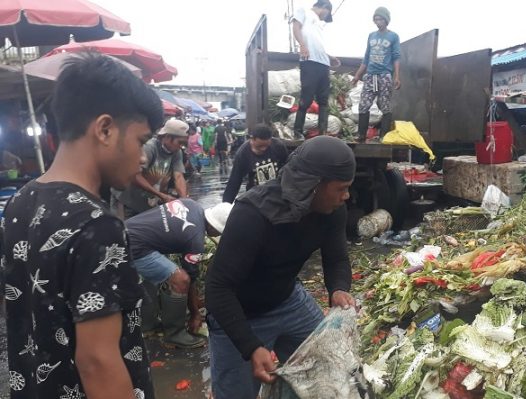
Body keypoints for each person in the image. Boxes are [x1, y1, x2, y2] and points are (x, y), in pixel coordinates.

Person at [1, 54, 163, 399]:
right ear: (105, 129)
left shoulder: (21, 201)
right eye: (140, 141)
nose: (143, 157)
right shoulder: (98, 225)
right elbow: (98, 363)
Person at [206, 136, 356, 399]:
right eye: (341, 188)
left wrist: (339, 288)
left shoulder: (334, 210)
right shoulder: (252, 213)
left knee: (328, 371)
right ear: (313, 184)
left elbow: (336, 258)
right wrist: (251, 346)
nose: (347, 195)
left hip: (288, 301)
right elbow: (218, 288)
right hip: (238, 313)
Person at [125, 199, 231, 348]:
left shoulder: (192, 205)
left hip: (125, 232)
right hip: (134, 248)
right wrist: (195, 313)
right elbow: (190, 279)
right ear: (216, 228)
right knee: (180, 279)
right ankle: (175, 334)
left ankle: (148, 326)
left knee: (161, 270)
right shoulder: (195, 240)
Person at [112, 119, 189, 218]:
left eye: (183, 144)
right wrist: (160, 195)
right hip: (126, 199)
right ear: (168, 137)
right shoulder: (150, 147)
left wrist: (184, 201)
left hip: (146, 201)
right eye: (180, 142)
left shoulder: (176, 151)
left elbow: (178, 176)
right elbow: (134, 176)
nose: (181, 146)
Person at [291, 0, 340, 139]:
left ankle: (322, 132)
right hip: (310, 61)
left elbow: (318, 44)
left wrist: (329, 57)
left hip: (323, 64)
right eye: (327, 14)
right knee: (306, 98)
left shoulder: (319, 24)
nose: (325, 17)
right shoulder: (304, 11)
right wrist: (302, 45)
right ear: (325, 8)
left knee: (323, 100)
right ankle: (298, 131)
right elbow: (296, 27)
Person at [351, 7, 401, 143]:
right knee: (363, 104)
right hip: (370, 76)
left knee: (384, 104)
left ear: (386, 20)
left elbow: (396, 57)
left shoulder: (393, 36)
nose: (378, 22)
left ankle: (384, 135)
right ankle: (361, 135)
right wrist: (357, 76)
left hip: (384, 75)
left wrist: (396, 76)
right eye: (376, 19)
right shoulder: (371, 36)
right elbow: (366, 58)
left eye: (380, 19)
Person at [221, 124, 288, 203]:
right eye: (259, 146)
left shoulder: (278, 146)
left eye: (266, 145)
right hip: (256, 197)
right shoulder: (242, 154)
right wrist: (226, 204)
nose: (263, 149)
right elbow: (234, 181)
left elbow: (288, 168)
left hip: (277, 194)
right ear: (252, 139)